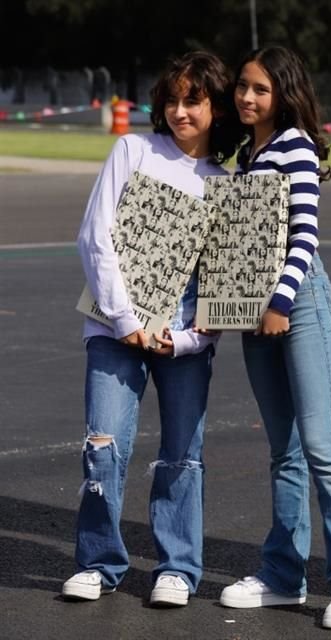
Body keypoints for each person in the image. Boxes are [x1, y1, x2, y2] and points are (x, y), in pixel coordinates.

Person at [63, 51, 241, 606]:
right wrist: (126, 321)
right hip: (115, 328)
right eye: (172, 99)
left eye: (193, 100)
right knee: (104, 444)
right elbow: (96, 236)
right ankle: (98, 562)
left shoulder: (226, 184)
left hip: (183, 339)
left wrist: (185, 338)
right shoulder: (132, 151)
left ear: (216, 107)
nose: (180, 110)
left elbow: (223, 289)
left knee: (182, 454)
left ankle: (178, 569)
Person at [218, 45, 331, 630]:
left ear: (282, 93)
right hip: (256, 316)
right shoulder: (245, 154)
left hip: (298, 304)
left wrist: (280, 304)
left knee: (319, 445)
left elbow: (303, 236)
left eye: (259, 88)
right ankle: (284, 576)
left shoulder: (295, 146)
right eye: (241, 87)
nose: (247, 97)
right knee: (282, 451)